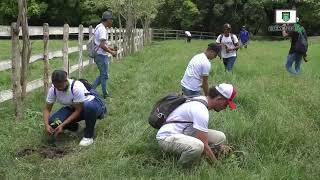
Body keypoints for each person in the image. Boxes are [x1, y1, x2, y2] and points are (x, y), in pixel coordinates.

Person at [156, 83, 237, 167]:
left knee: (220, 137)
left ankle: (201, 155)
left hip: (183, 132)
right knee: (198, 146)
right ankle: (182, 169)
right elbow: (204, 144)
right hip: (166, 137)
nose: (225, 107)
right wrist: (217, 165)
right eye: (226, 104)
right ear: (219, 99)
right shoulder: (201, 110)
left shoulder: (202, 99)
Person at [43, 70, 107, 146]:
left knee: (89, 107)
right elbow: (47, 109)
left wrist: (63, 125)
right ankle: (77, 129)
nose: (58, 89)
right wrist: (46, 125)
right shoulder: (53, 90)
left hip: (92, 105)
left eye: (60, 86)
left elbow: (78, 110)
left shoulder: (76, 87)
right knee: (54, 121)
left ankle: (88, 136)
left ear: (66, 80)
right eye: (56, 86)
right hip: (74, 107)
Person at [92, 10, 117, 98]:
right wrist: (111, 52)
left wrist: (110, 48)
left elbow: (99, 43)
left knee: (103, 74)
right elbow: (102, 45)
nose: (112, 21)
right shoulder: (102, 29)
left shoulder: (99, 27)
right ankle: (104, 94)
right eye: (112, 19)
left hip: (98, 54)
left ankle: (91, 90)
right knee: (104, 75)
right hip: (101, 55)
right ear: (108, 20)